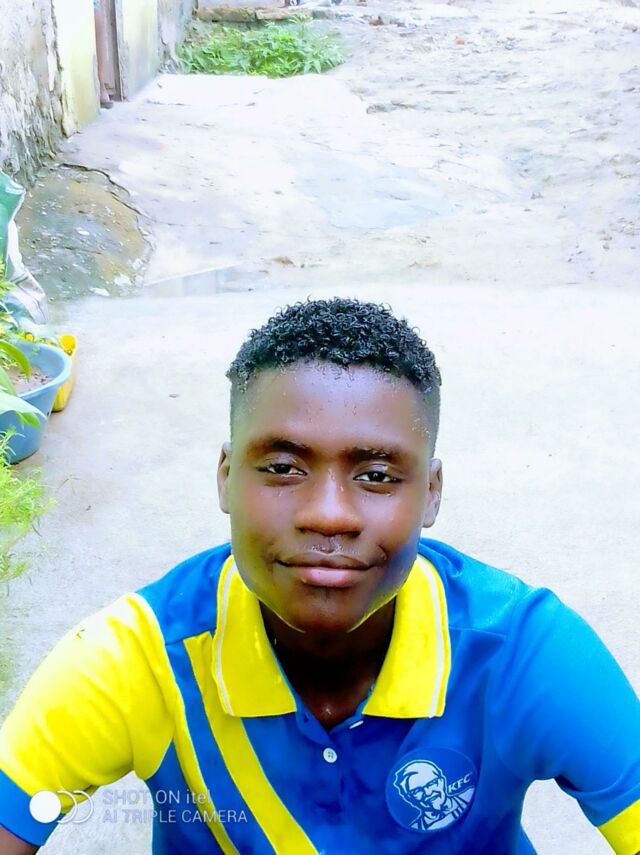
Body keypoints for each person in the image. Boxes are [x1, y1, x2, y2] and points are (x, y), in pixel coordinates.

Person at [0, 298, 638, 854]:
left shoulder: (522, 655)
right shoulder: (140, 661)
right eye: (283, 467)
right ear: (226, 476)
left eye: (377, 476)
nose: (329, 514)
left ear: (431, 493)